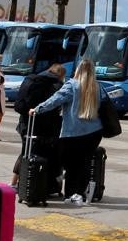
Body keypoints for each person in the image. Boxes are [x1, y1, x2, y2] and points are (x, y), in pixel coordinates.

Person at [33, 58, 105, 205]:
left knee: (71, 165)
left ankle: (70, 195)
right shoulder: (97, 86)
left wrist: (37, 109)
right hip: (94, 132)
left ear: (78, 70)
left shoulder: (72, 85)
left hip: (73, 132)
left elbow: (55, 100)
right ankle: (80, 194)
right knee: (85, 163)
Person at [12, 63, 66, 188]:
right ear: (61, 75)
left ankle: (16, 182)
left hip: (25, 123)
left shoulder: (32, 79)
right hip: (44, 126)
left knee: (26, 153)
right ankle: (39, 185)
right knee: (39, 154)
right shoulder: (56, 85)